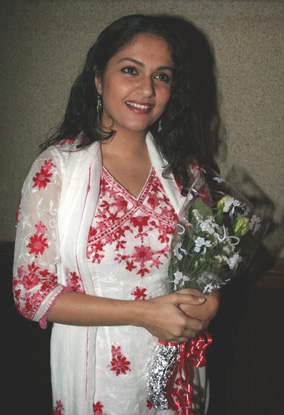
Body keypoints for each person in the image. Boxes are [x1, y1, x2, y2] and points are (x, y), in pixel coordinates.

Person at [13, 14, 221, 415]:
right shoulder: (57, 169)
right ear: (97, 78)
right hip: (96, 372)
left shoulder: (185, 172)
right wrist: (143, 314)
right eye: (130, 70)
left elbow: (210, 266)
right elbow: (30, 292)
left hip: (178, 367)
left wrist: (210, 301)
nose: (147, 89)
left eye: (162, 76)